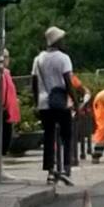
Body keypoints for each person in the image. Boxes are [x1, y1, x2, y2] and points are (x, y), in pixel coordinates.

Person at [32, 26, 76, 184]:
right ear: (58, 41)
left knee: (49, 136)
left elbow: (34, 82)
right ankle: (66, 167)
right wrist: (75, 102)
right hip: (61, 103)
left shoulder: (38, 59)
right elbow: (68, 82)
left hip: (44, 103)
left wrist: (36, 102)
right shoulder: (64, 58)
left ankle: (50, 170)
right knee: (66, 135)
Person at [0, 49, 20, 170]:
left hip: (7, 111)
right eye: (5, 57)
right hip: (2, 110)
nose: (7, 60)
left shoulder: (6, 73)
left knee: (4, 138)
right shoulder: (1, 74)